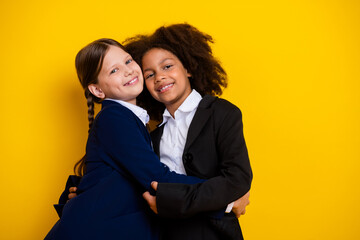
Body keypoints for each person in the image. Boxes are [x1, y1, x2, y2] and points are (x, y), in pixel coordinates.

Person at [44, 38, 207, 240]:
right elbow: (158, 179)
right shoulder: (114, 119)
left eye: (128, 61)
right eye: (114, 70)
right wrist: (224, 195)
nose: (128, 70)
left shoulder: (133, 121)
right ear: (97, 90)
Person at [123, 23, 253, 240]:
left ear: (189, 68)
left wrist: (171, 201)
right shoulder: (151, 136)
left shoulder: (221, 113)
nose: (159, 77)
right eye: (149, 74)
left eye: (167, 66)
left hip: (215, 233)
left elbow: (237, 179)